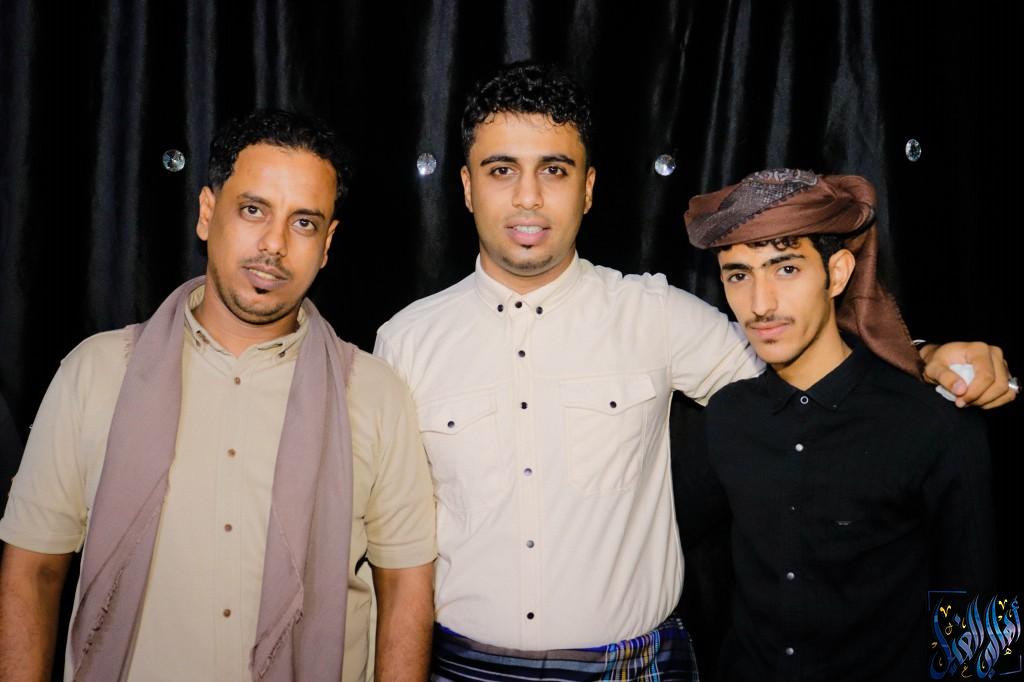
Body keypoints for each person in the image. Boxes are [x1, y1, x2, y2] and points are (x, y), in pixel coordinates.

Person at [373, 63, 1015, 681]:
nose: (528, 197)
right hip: (465, 668)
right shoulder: (404, 342)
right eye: (501, 170)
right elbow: (393, 556)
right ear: (466, 187)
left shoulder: (656, 314)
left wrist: (925, 358)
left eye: (554, 170)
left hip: (634, 670)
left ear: (588, 188)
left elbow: (809, 357)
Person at [0, 110, 436, 682]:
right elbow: (32, 570)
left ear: (327, 244)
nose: (274, 245)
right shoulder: (97, 372)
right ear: (207, 213)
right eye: (253, 210)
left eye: (304, 223)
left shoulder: (375, 394)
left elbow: (405, 587)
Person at [678, 168, 996, 681]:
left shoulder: (931, 423)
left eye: (785, 269)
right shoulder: (727, 417)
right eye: (738, 275)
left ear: (839, 272)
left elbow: (977, 606)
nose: (760, 304)